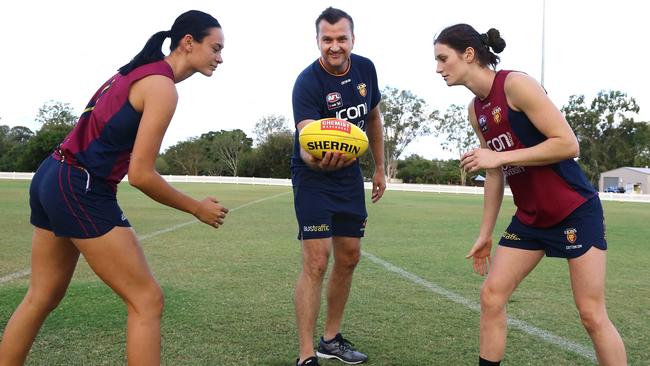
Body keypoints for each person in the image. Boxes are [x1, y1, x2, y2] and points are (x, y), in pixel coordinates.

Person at [0, 10, 229, 366]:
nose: (220, 57)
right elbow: (140, 174)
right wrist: (195, 208)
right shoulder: (162, 87)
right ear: (188, 42)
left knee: (40, 296)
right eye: (215, 48)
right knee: (147, 299)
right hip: (80, 184)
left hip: (52, 173)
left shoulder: (137, 71)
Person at [433, 24, 627, 366]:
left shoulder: (515, 85)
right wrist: (484, 234)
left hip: (574, 210)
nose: (438, 68)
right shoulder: (475, 110)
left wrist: (500, 157)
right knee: (492, 296)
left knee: (591, 314)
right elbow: (494, 173)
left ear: (468, 54)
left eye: (443, 58)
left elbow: (568, 144)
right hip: (529, 218)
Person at [291, 7, 386, 366]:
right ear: (317, 41)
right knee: (316, 262)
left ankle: (330, 339)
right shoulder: (307, 82)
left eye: (341, 39)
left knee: (349, 257)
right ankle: (305, 355)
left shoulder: (366, 69)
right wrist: (318, 159)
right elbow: (304, 141)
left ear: (352, 40)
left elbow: (373, 117)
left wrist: (379, 168)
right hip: (313, 175)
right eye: (327, 39)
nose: (334, 46)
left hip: (349, 175)